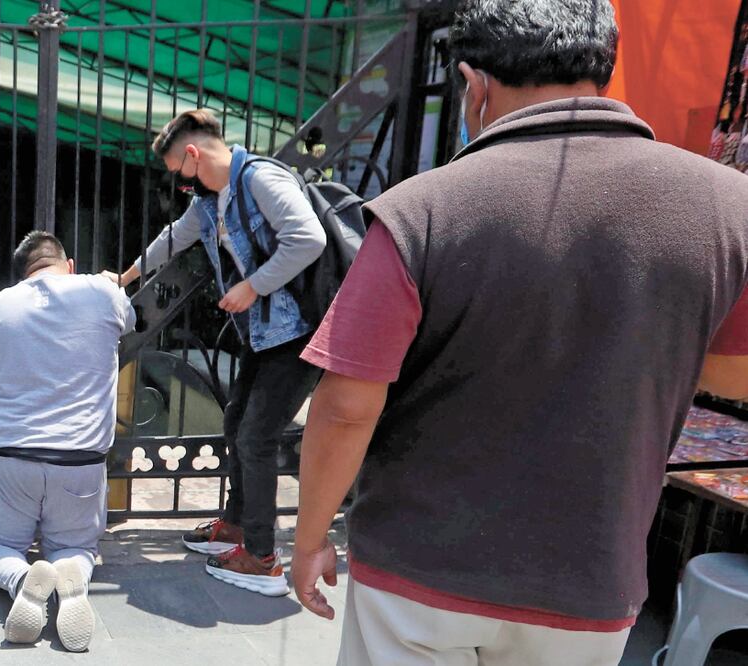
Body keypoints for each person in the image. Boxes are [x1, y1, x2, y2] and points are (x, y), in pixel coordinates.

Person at [290, 0, 748, 664]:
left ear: (475, 86)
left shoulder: (420, 211)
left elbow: (345, 405)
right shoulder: (727, 207)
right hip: (588, 582)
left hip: (419, 572)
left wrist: (309, 541)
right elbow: (735, 373)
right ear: (604, 67)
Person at [101, 110, 326, 597]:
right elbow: (174, 240)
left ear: (194, 155)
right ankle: (237, 525)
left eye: (178, 170)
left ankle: (263, 559)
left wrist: (252, 286)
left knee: (257, 437)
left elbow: (309, 238)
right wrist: (124, 278)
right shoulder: (209, 200)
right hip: (262, 336)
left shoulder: (259, 179)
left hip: (298, 332)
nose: (179, 182)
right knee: (237, 425)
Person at [0, 231, 135, 652]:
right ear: (70, 264)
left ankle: (23, 580)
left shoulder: (0, 304)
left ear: (22, 272)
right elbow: (130, 322)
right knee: (76, 546)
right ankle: (72, 583)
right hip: (80, 462)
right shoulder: (102, 292)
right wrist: (109, 283)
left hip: (12, 458)